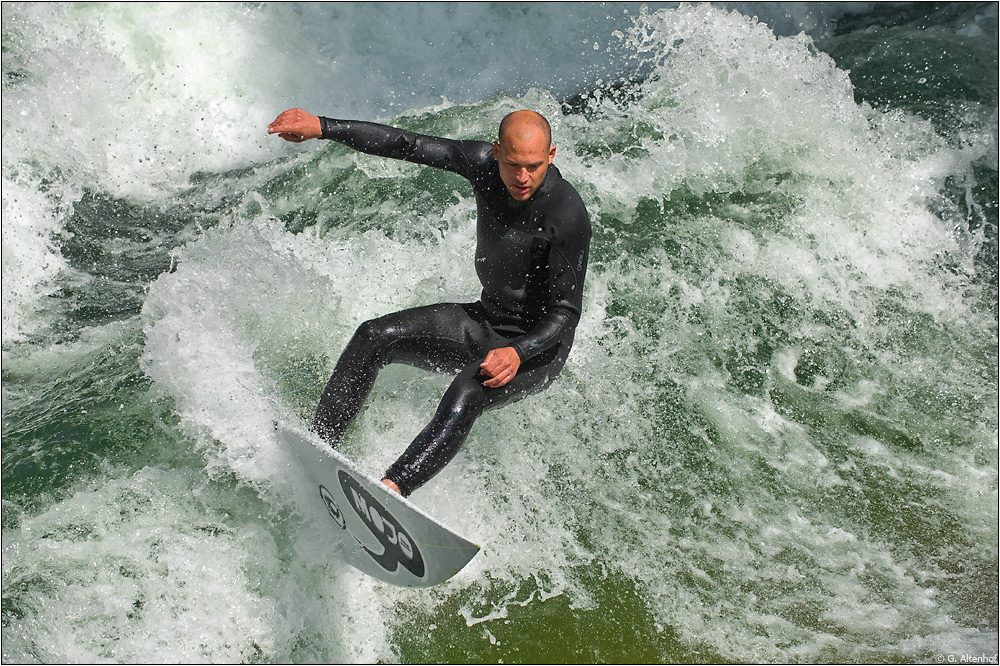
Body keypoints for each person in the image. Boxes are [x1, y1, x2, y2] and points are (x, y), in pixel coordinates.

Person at [267, 107, 591, 497]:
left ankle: (393, 490)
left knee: (467, 391)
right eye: (513, 164)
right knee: (374, 335)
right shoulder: (483, 166)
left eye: (534, 166)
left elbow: (566, 314)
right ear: (496, 152)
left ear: (551, 156)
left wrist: (518, 353)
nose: (523, 178)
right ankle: (319, 449)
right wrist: (323, 127)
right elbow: (409, 144)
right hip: (488, 320)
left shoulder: (566, 213)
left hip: (537, 348)